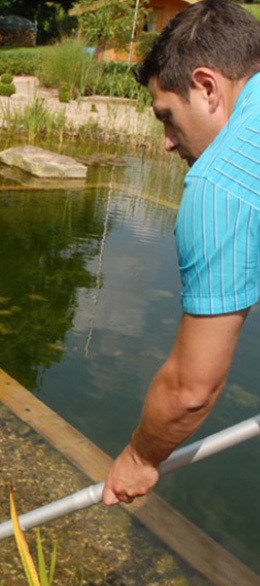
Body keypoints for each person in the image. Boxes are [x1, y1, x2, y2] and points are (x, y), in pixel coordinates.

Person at [102, 0, 260, 506]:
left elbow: (190, 391)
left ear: (208, 87)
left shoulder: (220, 183)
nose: (168, 143)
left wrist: (141, 458)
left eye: (167, 117)